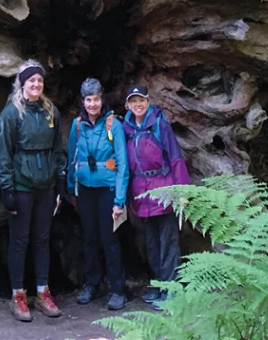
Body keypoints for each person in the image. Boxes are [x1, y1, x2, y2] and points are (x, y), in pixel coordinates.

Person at [0, 60, 65, 322]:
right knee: (20, 241)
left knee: (42, 239)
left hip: (45, 186)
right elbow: (2, 155)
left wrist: (60, 179)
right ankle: (17, 295)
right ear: (22, 82)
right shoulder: (11, 113)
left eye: (39, 80)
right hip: (22, 186)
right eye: (31, 80)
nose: (36, 84)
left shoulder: (50, 111)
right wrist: (7, 189)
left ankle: (43, 292)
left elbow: (57, 148)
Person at [122, 84, 190, 305]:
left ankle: (171, 290)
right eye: (133, 101)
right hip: (142, 196)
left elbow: (175, 158)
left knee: (168, 243)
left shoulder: (160, 125)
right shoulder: (127, 129)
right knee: (151, 244)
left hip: (164, 192)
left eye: (141, 100)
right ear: (128, 105)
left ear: (148, 101)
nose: (138, 104)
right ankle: (159, 285)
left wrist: (182, 191)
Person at [66, 77, 129, 310]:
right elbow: (72, 158)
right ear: (83, 101)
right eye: (88, 99)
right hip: (85, 190)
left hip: (108, 189)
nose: (92, 104)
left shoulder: (114, 125)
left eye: (96, 99)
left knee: (109, 239)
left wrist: (119, 200)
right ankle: (92, 284)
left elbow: (123, 164)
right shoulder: (78, 125)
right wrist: (70, 190)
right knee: (89, 238)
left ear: (102, 100)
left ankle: (117, 288)